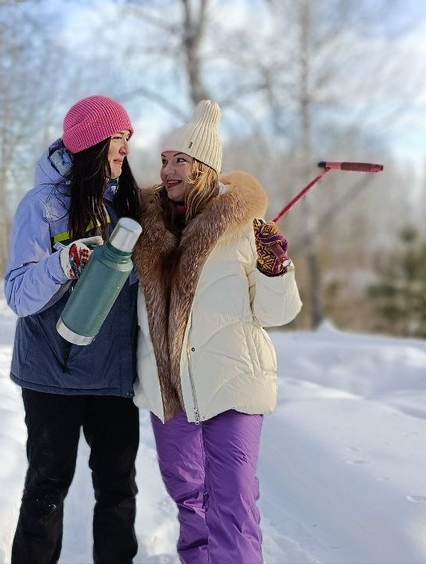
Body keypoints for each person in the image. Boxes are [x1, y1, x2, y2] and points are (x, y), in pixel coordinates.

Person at [132, 100, 302, 564]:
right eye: (164, 160)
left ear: (204, 167)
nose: (167, 169)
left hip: (233, 381)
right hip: (171, 388)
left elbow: (278, 313)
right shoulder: (145, 230)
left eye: (179, 160)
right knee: (188, 496)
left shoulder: (245, 228)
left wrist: (276, 268)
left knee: (233, 501)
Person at [4, 94, 142, 564]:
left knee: (119, 491)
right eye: (119, 139)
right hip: (52, 374)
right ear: (93, 142)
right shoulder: (42, 206)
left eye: (128, 140)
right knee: (47, 486)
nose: (126, 149)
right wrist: (65, 262)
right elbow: (19, 295)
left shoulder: (128, 205)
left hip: (113, 376)